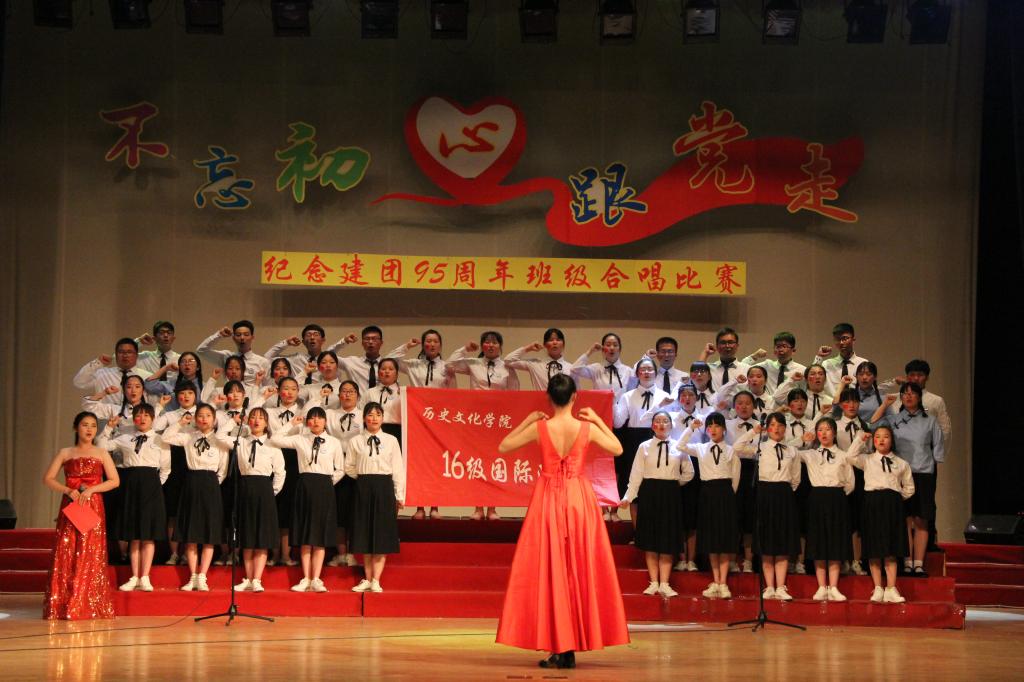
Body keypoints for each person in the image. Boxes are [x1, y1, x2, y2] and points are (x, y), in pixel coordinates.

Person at [495, 374, 629, 670]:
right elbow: (617, 448)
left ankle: (561, 646)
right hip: (578, 499)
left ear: (548, 397)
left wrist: (529, 420)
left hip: (548, 499)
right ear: (574, 397)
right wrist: (597, 420)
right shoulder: (586, 428)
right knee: (576, 567)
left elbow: (504, 446)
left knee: (552, 568)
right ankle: (567, 647)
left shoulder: (540, 428)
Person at [42, 412, 120, 620]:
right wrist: (68, 490)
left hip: (92, 505)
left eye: (93, 425)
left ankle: (87, 603)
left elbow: (114, 481)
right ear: (76, 427)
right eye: (85, 425)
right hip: (72, 504)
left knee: (90, 550)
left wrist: (92, 489)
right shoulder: (65, 452)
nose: (89, 429)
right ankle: (64, 604)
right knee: (67, 550)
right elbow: (48, 478)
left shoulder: (101, 453)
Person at [677, 413, 756, 600]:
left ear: (724, 429)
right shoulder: (701, 448)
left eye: (717, 426)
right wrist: (691, 428)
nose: (713, 429)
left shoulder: (730, 450)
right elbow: (680, 445)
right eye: (709, 426)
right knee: (712, 539)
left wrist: (728, 496)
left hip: (725, 494)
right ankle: (716, 580)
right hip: (707, 493)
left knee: (724, 538)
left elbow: (735, 477)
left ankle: (723, 582)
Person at [269, 407, 345, 593]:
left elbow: (340, 469)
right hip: (304, 485)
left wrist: (327, 483)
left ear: (325, 421)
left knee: (319, 534)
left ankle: (316, 579)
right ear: (308, 422)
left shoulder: (334, 442)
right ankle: (305, 578)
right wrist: (291, 424)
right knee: (305, 534)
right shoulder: (300, 439)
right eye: (312, 418)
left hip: (324, 486)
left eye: (320, 418)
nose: (316, 421)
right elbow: (275, 439)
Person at [871, 383, 944, 576]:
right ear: (901, 397)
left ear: (919, 397)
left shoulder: (930, 420)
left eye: (913, 393)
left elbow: (938, 447)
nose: (909, 396)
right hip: (900, 473)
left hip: (923, 473)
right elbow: (873, 425)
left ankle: (918, 563)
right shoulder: (894, 419)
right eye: (905, 393)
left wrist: (934, 466)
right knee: (905, 519)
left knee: (921, 519)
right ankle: (906, 561)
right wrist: (885, 405)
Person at [96, 404, 170, 592]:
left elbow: (166, 468)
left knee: (148, 535)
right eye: (139, 415)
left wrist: (155, 486)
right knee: (134, 535)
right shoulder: (125, 438)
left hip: (151, 485)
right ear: (133, 418)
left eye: (146, 415)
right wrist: (109, 428)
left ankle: (145, 577)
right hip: (131, 484)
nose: (142, 418)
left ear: (153, 418)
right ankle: (134, 576)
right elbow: (102, 447)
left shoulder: (160, 439)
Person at [620, 411, 694, 598]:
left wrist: (673, 483)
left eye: (665, 421)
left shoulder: (679, 446)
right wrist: (628, 497)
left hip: (670, 495)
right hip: (649, 493)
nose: (661, 424)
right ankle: (654, 582)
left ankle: (665, 583)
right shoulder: (644, 446)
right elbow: (636, 474)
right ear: (652, 425)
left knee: (667, 539)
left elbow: (689, 472)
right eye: (657, 421)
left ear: (671, 425)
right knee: (651, 539)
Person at [448, 331, 520, 520]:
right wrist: (465, 349)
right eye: (487, 342)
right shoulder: (474, 363)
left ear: (500, 346)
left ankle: (493, 508)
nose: (490, 345)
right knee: (477, 463)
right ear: (482, 346)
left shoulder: (507, 367)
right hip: (477, 420)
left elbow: (515, 393)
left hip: (497, 421)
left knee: (495, 463)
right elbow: (449, 364)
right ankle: (478, 507)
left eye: (494, 342)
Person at [162, 404, 232, 591]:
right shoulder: (188, 437)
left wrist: (212, 485)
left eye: (208, 415)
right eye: (200, 415)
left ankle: (202, 576)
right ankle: (192, 576)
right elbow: (166, 437)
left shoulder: (219, 440)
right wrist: (180, 423)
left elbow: (223, 469)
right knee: (191, 533)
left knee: (209, 533)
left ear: (214, 420)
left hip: (210, 484)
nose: (203, 419)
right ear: (195, 419)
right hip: (191, 482)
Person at [387, 330, 452, 520]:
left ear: (440, 345)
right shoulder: (414, 365)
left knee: (436, 464)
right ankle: (420, 506)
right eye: (428, 341)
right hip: (417, 420)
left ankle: (435, 506)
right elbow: (390, 360)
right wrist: (407, 346)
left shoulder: (446, 367)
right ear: (423, 345)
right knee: (418, 464)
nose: (431, 344)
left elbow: (451, 392)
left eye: (435, 341)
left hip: (438, 420)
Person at [844, 426, 915, 603]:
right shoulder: (867, 459)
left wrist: (895, 498)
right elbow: (850, 456)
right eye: (877, 437)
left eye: (886, 436)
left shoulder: (901, 463)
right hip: (872, 504)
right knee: (874, 547)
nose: (881, 440)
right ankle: (877, 587)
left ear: (892, 440)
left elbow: (909, 488)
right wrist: (861, 439)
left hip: (892, 505)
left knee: (891, 548)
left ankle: (891, 588)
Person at [223, 407, 286, 592]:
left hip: (264, 489)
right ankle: (248, 578)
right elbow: (219, 437)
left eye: (261, 418)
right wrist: (233, 421)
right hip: (245, 487)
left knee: (261, 536)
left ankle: (257, 579)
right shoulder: (241, 442)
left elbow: (280, 472)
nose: (256, 420)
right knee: (247, 536)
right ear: (248, 421)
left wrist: (271, 492)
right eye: (253, 417)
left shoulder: (272, 445)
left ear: (266, 423)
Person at [346, 402, 405, 593]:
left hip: (384, 487)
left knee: (380, 534)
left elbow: (398, 468)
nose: (374, 418)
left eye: (378, 415)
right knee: (365, 533)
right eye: (370, 415)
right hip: (363, 486)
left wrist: (399, 495)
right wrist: (364, 479)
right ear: (364, 418)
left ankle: (376, 580)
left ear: (382, 418)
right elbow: (349, 466)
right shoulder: (355, 441)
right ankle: (367, 577)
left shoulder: (391, 440)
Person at [743, 412, 801, 601]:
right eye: (773, 425)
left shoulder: (792, 450)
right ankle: (769, 586)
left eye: (780, 425)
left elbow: (796, 478)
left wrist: (784, 491)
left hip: (784, 494)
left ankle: (781, 586)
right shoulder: (760, 447)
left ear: (785, 428)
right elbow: (737, 447)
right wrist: (754, 431)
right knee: (766, 541)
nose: (776, 428)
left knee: (782, 541)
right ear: (767, 428)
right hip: (765, 494)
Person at [798, 417, 856, 601]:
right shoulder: (810, 454)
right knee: (819, 542)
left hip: (837, 499)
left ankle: (834, 586)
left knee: (835, 542)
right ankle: (822, 586)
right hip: (817, 498)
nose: (823, 433)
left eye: (827, 429)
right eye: (820, 429)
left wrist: (837, 496)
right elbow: (790, 451)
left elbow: (850, 483)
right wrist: (803, 440)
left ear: (834, 433)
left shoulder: (843, 455)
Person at [612, 357, 670, 523]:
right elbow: (618, 423)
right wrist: (613, 401)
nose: (646, 372)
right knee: (634, 487)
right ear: (637, 374)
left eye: (650, 369)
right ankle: (637, 533)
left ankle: (655, 530)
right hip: (633, 441)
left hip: (657, 440)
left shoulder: (664, 396)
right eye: (642, 370)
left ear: (655, 373)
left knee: (655, 484)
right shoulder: (628, 396)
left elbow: (669, 423)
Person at [73, 337, 152, 405]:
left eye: (129, 352)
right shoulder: (102, 374)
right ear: (116, 355)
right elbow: (79, 382)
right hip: (107, 417)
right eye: (121, 352)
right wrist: (97, 363)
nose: (125, 355)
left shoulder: (148, 377)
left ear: (136, 355)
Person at [264, 324, 353, 383]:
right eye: (308, 335)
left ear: (323, 340)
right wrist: (286, 343)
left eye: (316, 334)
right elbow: (267, 358)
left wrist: (343, 342)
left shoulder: (330, 361)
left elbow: (331, 351)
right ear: (303, 342)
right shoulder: (296, 359)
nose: (312, 337)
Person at [197, 320, 271, 387]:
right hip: (230, 395)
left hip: (254, 397)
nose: (242, 338)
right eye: (238, 335)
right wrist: (219, 335)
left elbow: (268, 387)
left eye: (246, 334)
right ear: (233, 338)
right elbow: (201, 351)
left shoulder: (262, 362)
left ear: (252, 337)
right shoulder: (226, 356)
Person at [504, 328, 573, 391]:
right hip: (540, 400)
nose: (555, 342)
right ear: (545, 345)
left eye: (558, 340)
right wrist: (528, 348)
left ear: (563, 344)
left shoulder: (571, 368)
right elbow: (508, 361)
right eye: (550, 340)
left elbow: (575, 392)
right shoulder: (535, 364)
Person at [740, 331, 806, 395]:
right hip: (768, 402)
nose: (780, 350)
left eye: (784, 346)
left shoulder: (801, 370)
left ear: (793, 350)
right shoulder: (767, 366)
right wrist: (755, 356)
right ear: (774, 351)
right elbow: (743, 367)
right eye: (778, 346)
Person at [814, 323, 869, 396]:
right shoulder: (827, 364)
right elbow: (812, 380)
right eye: (837, 339)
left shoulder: (863, 363)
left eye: (845, 338)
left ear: (853, 340)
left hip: (856, 402)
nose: (841, 342)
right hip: (832, 402)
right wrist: (819, 356)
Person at [336, 325, 386, 392]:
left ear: (381, 343)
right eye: (367, 339)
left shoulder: (388, 366)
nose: (370, 342)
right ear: (362, 343)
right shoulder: (352, 362)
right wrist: (344, 342)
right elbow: (326, 356)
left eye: (374, 339)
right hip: (358, 399)